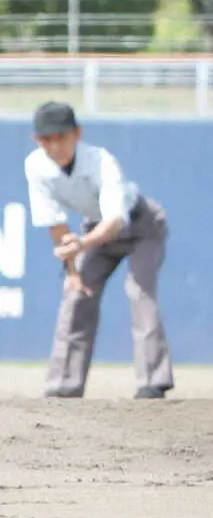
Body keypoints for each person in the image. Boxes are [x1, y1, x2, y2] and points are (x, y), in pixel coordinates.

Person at [24, 101, 173, 399]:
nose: (55, 146)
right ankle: (63, 385)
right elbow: (56, 224)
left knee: (139, 292)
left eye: (61, 136)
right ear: (36, 140)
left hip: (142, 225)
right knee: (76, 296)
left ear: (77, 133)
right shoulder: (36, 166)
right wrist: (72, 271)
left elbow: (115, 221)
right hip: (94, 231)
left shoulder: (101, 161)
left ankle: (152, 383)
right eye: (46, 139)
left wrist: (81, 245)